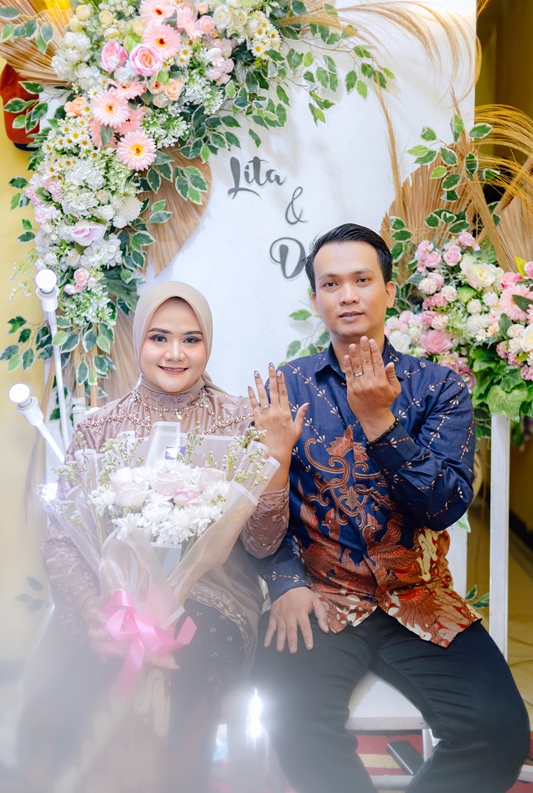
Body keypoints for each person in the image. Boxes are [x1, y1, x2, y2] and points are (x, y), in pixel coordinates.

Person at [250, 223, 530, 793]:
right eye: (331, 284)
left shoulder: (439, 387)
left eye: (362, 280)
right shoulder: (287, 388)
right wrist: (284, 582)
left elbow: (444, 506)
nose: (347, 295)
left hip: (419, 596)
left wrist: (381, 422)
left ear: (389, 290)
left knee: (499, 733)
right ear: (315, 298)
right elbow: (257, 514)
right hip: (322, 598)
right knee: (293, 723)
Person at [17, 281, 304, 793]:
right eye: (159, 338)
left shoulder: (242, 420)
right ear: (139, 343)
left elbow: (262, 544)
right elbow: (62, 541)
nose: (175, 354)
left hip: (213, 600)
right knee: (73, 689)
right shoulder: (99, 427)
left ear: (208, 343)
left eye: (191, 339)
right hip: (114, 604)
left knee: (179, 675)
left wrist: (277, 460)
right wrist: (92, 610)